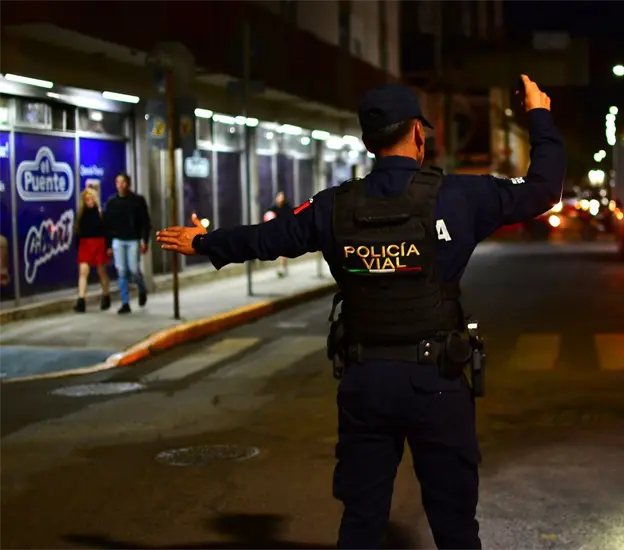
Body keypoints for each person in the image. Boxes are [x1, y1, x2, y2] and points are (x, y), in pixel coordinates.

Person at [156, 74, 564, 550]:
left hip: (366, 381)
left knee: (362, 522)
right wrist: (538, 114)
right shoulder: (458, 196)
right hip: (437, 380)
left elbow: (268, 239)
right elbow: (544, 189)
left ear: (369, 143)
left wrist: (204, 242)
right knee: (455, 527)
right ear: (417, 132)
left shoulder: (334, 207)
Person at [103, 172, 150, 315]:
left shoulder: (137, 201)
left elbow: (145, 222)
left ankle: (142, 289)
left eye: (123, 182)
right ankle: (125, 303)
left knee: (134, 269)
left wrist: (144, 240)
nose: (120, 185)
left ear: (128, 183)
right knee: (122, 271)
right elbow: (107, 225)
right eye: (118, 182)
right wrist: (108, 245)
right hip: (118, 240)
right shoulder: (111, 203)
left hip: (133, 240)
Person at [73, 188, 111, 313]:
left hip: (99, 243)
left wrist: (108, 247)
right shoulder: (80, 214)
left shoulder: (101, 213)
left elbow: (107, 231)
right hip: (85, 243)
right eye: (86, 199)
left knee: (101, 272)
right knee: (83, 272)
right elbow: (77, 231)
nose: (89, 201)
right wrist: (77, 245)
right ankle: (81, 300)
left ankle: (106, 295)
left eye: (91, 198)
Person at [263, 191, 292, 277]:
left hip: (285, 231)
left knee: (283, 251)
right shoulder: (273, 208)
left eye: (282, 197)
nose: (280, 199)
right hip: (276, 231)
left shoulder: (286, 207)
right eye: (279, 197)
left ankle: (282, 268)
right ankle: (283, 268)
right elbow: (267, 216)